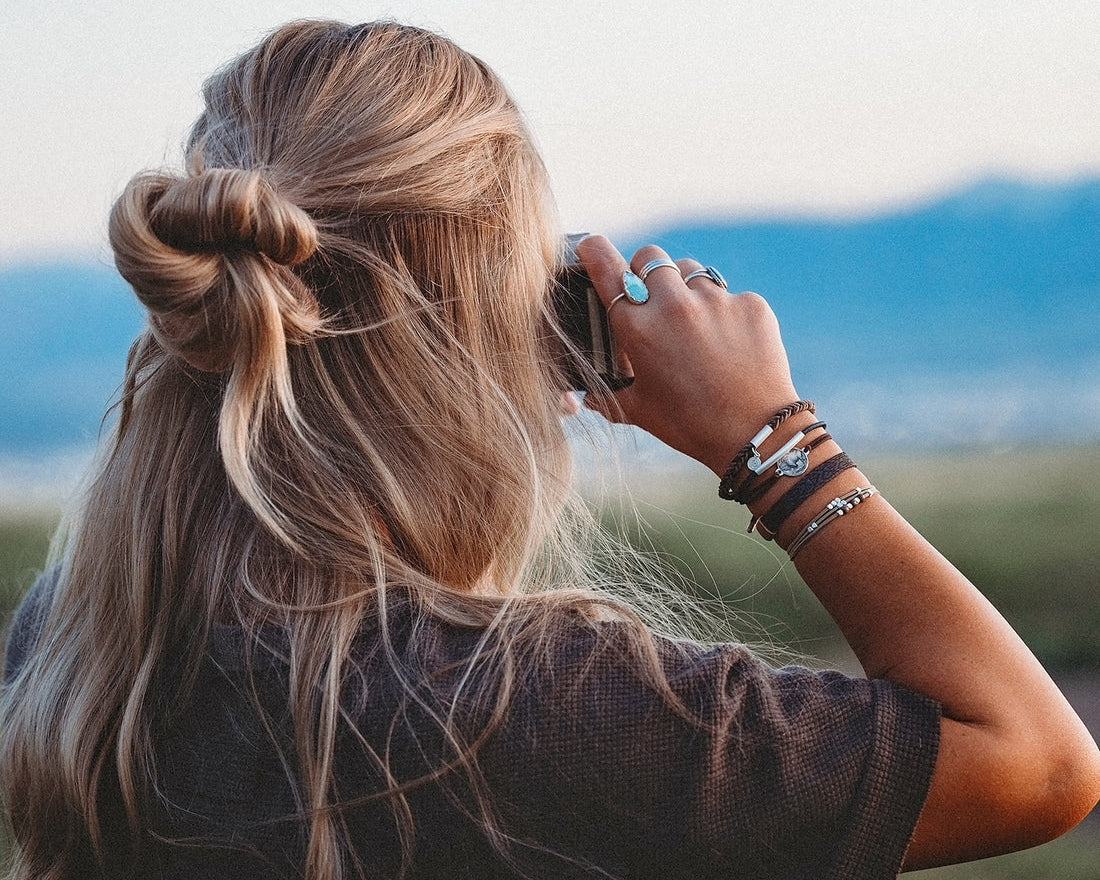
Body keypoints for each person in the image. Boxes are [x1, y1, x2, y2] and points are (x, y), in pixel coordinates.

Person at [2, 19, 1098, 880]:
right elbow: (1034, 762)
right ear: (497, 330)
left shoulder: (70, 650)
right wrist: (771, 439)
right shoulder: (536, 706)